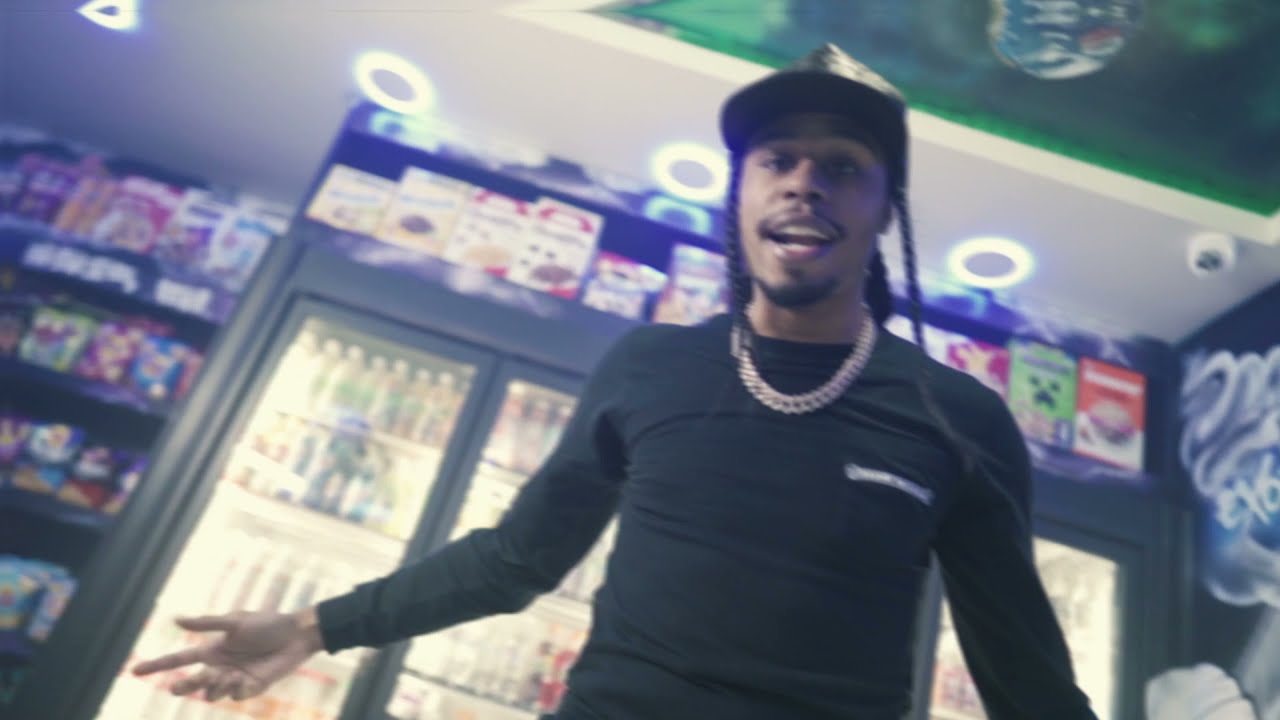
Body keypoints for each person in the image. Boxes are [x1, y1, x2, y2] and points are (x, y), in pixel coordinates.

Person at [133, 43, 1099, 719]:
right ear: (741, 194)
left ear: (886, 211)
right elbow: (516, 560)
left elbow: (1023, 675)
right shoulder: (650, 366)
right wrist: (313, 628)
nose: (805, 182)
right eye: (777, 160)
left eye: (843, 167)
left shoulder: (957, 418)